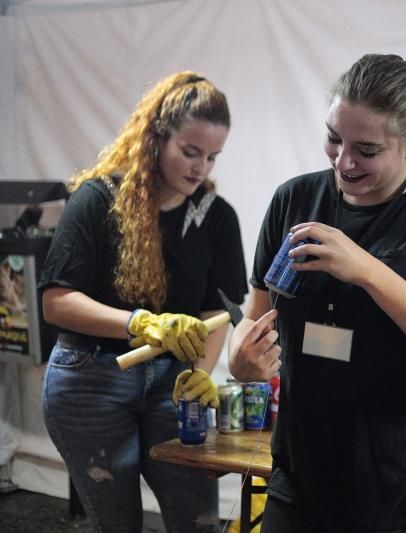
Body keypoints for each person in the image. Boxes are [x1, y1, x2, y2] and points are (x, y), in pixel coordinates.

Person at [229, 53, 406, 532]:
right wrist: (239, 358)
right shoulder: (294, 199)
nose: (344, 161)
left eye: (367, 150)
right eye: (334, 138)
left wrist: (369, 271)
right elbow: (255, 316)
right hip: (303, 473)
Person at [39, 71, 248, 532]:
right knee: (118, 525)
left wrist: (198, 373)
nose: (201, 168)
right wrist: (139, 323)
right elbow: (57, 302)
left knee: (199, 520)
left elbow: (219, 312)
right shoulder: (97, 200)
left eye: (212, 157)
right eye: (190, 152)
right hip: (90, 378)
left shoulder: (214, 217)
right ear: (156, 137)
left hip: (171, 380)